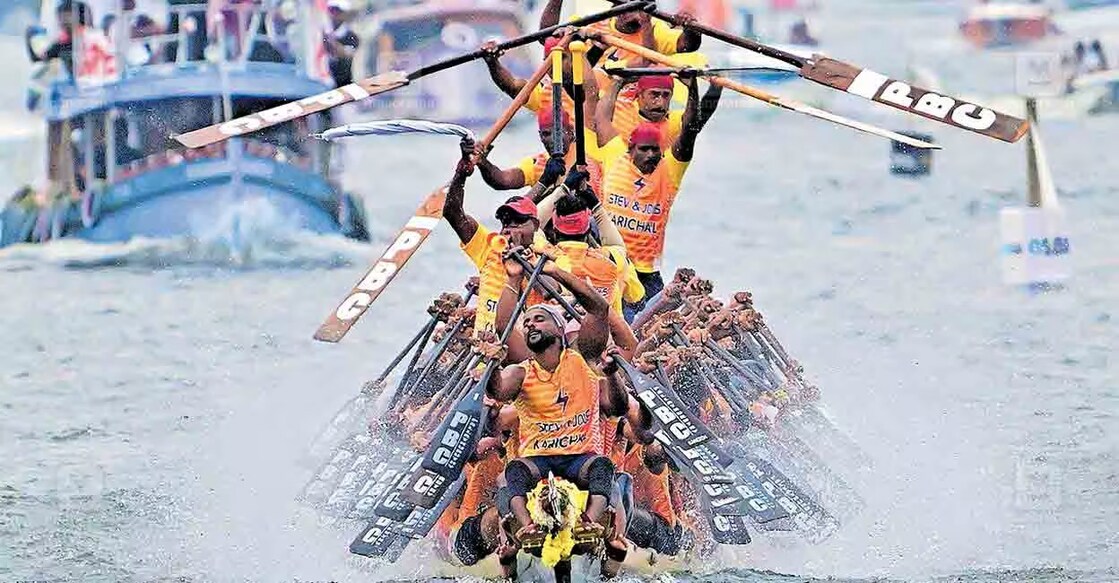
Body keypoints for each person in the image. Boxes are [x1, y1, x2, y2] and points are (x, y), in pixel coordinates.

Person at [482, 252, 629, 560]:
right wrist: (512, 279)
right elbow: (497, 385)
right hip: (539, 461)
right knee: (514, 471)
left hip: (580, 459)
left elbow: (599, 308)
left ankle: (589, 522)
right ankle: (527, 529)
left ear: (560, 331)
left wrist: (555, 272)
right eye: (528, 321)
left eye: (539, 318)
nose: (531, 323)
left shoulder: (583, 357)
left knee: (603, 466)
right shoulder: (521, 371)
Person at [595, 76, 723, 320]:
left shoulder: (670, 171)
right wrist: (618, 83)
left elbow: (691, 130)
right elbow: (600, 118)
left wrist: (693, 87)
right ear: (631, 149)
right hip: (611, 264)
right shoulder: (614, 157)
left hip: (645, 274)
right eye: (645, 149)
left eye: (655, 149)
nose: (651, 155)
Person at [444, 138, 548, 336]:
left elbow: (551, 291)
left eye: (518, 222)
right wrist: (461, 173)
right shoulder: (491, 248)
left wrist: (522, 265)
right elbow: (452, 213)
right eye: (506, 223)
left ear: (534, 226)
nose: (509, 229)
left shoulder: (546, 255)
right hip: (483, 355)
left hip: (524, 357)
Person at [475, 108, 604, 199]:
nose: (553, 139)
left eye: (558, 132)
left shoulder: (587, 162)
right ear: (540, 136)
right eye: (547, 134)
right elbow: (502, 180)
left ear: (570, 131)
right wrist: (483, 162)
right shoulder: (539, 163)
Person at [598, 74, 683, 149]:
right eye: (654, 94)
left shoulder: (676, 120)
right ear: (640, 95)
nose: (660, 103)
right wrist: (617, 81)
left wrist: (692, 88)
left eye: (666, 95)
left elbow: (690, 125)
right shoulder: (618, 106)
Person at [26, 0, 93, 78]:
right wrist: (29, 40)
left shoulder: (94, 40)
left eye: (67, 17)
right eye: (60, 17)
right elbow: (38, 58)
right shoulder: (61, 45)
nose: (63, 21)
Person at [324, 0, 359, 87]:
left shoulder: (352, 36)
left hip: (343, 84)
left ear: (345, 14)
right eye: (331, 10)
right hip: (322, 83)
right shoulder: (323, 31)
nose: (334, 14)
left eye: (338, 11)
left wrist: (329, 39)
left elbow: (344, 53)